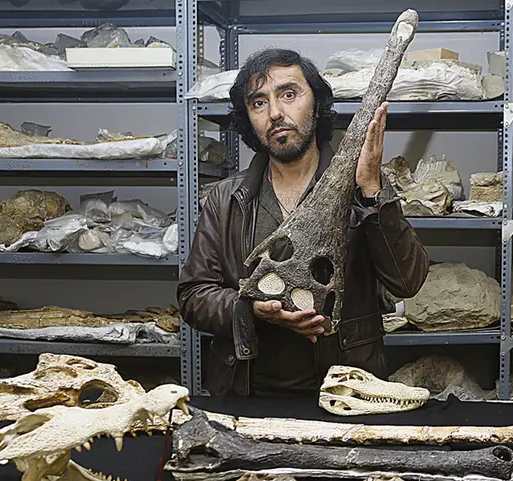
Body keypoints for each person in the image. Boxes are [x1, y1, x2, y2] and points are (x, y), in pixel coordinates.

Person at [176, 48, 429, 397]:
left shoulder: (362, 189)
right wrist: (250, 309)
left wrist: (372, 191)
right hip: (247, 392)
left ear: (317, 103)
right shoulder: (228, 199)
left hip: (345, 391)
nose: (275, 113)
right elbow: (193, 296)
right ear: (248, 117)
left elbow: (407, 281)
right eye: (259, 102)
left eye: (289, 94)